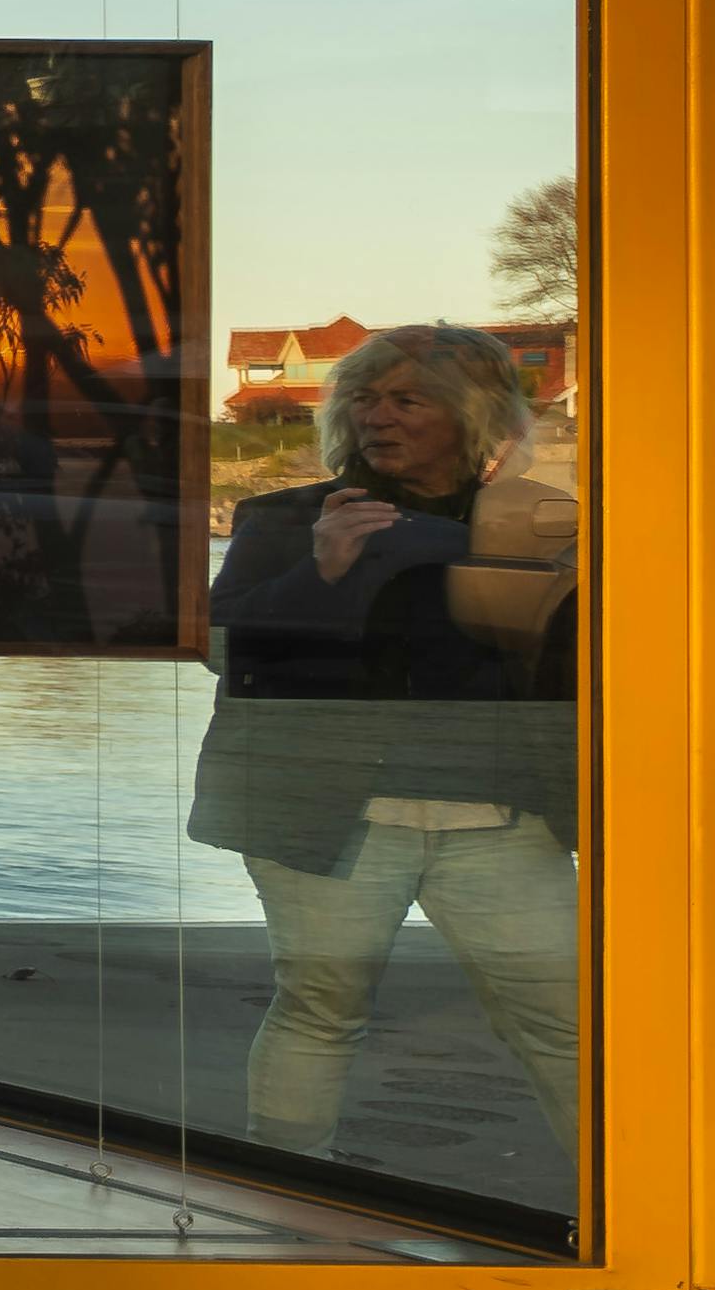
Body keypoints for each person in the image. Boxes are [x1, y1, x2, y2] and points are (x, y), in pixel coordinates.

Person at [194, 317, 581, 1155]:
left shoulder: (545, 526)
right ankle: (286, 1196)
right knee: (320, 1010)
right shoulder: (286, 520)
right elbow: (219, 647)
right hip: (330, 819)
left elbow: (593, 669)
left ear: (473, 412)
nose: (378, 416)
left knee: (567, 1022)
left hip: (502, 821)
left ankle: (627, 1206)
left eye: (408, 399)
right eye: (365, 398)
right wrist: (320, 573)